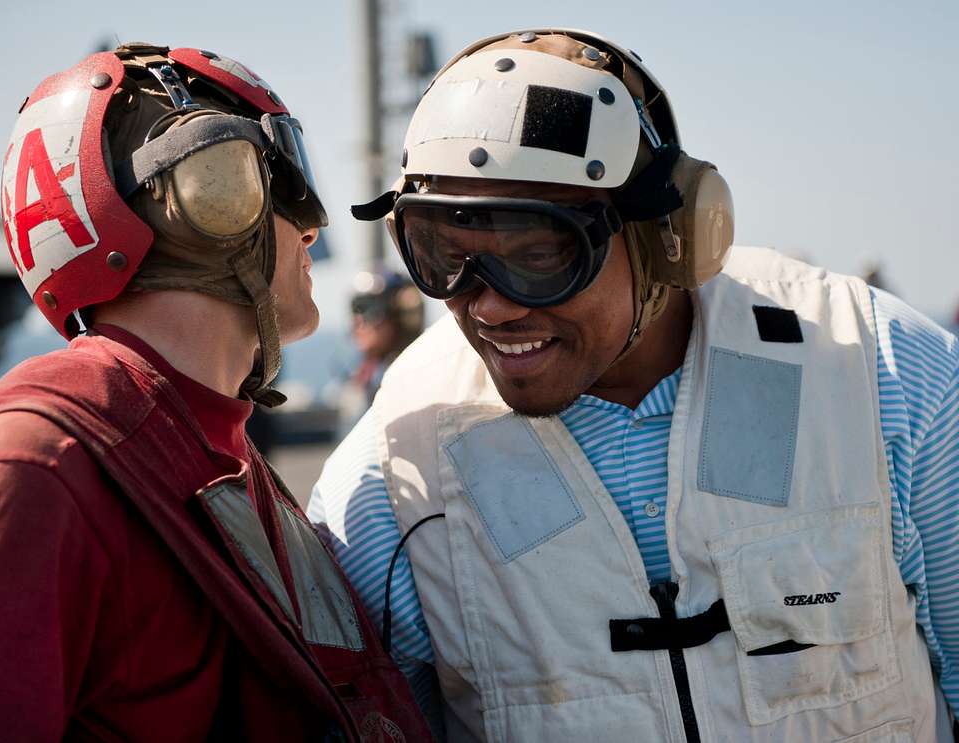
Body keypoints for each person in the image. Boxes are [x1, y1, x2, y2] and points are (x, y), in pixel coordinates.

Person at [309, 29, 959, 742]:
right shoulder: (392, 478)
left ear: (667, 236)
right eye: (443, 254)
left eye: (539, 254)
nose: (490, 305)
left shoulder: (881, 375)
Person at [0, 43, 429, 742]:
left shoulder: (211, 450)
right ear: (212, 190)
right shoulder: (32, 473)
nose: (312, 227)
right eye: (282, 179)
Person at [339, 270, 425, 429]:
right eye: (356, 308)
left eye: (368, 308)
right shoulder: (361, 378)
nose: (358, 321)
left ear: (402, 317)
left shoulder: (418, 382)